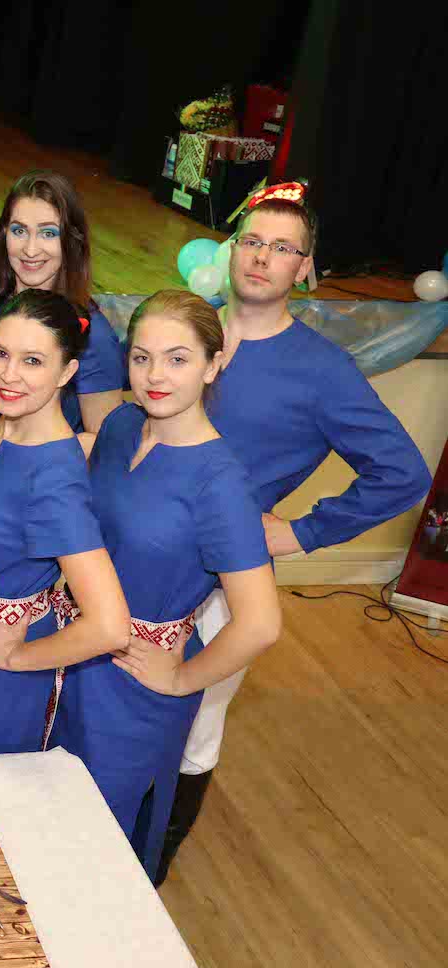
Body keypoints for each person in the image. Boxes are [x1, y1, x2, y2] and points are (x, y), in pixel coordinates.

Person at [161, 182, 431, 880]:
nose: (262, 258)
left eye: (284, 249)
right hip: (140, 558)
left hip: (225, 577)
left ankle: (153, 855)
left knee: (194, 721)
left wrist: (302, 533)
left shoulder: (322, 370)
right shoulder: (183, 333)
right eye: (252, 242)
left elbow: (401, 473)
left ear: (305, 269)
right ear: (231, 252)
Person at [52, 290, 281, 880]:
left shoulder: (220, 483)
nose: (155, 376)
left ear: (214, 363)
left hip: (132, 684)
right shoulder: (123, 424)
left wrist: (182, 677)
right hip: (67, 652)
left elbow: (260, 622)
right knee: (44, 819)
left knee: (98, 846)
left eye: (178, 359)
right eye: (142, 357)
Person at [0, 289, 129, 756]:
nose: (9, 375)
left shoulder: (54, 476)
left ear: (67, 373)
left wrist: (19, 657)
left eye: (33, 361)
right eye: (0, 353)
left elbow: (110, 625)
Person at [0, 170, 126, 434]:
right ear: (3, 234)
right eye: (19, 230)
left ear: (71, 241)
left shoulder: (94, 337)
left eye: (48, 233)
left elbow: (102, 446)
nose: (30, 249)